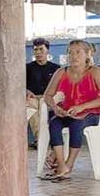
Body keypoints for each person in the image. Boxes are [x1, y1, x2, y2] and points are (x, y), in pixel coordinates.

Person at [42, 40, 100, 182]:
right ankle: (62, 165)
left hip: (91, 113)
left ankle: (69, 164)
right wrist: (56, 108)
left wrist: (82, 107)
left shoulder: (95, 72)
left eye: (78, 52)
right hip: (67, 111)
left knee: (76, 125)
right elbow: (47, 95)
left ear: (88, 54)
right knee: (54, 124)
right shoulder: (61, 72)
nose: (73, 56)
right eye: (70, 52)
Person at [26, 38, 60, 144]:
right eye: (36, 50)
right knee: (31, 108)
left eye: (41, 49)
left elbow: (60, 86)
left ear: (47, 50)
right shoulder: (28, 67)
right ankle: (41, 139)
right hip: (33, 98)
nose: (38, 52)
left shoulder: (56, 68)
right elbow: (21, 85)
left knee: (44, 106)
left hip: (49, 98)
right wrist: (26, 91)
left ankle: (43, 140)